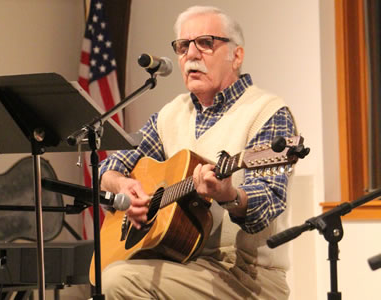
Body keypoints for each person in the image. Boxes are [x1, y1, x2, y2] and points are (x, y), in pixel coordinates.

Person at [99, 5, 297, 300]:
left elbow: (268, 200)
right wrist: (123, 187)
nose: (191, 54)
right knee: (105, 275)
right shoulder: (171, 115)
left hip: (247, 276)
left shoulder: (269, 114)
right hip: (182, 263)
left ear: (236, 56)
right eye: (182, 46)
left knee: (116, 281)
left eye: (205, 43)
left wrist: (228, 194)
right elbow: (111, 167)